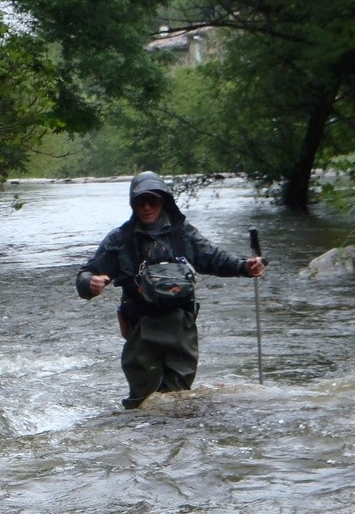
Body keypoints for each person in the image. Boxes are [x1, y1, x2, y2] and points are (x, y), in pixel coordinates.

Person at [76, 171, 265, 409]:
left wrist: (243, 267)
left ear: (163, 201)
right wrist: (90, 283)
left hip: (181, 328)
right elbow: (86, 274)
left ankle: (173, 441)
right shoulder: (119, 239)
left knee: (179, 401)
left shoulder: (182, 232)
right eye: (139, 202)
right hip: (141, 328)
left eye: (152, 201)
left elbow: (212, 258)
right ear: (132, 204)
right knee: (142, 401)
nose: (146, 207)